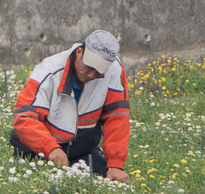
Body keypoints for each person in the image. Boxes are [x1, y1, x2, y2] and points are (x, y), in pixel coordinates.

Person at [10, 30, 130, 183]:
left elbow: (117, 117)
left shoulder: (114, 70)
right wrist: (50, 148)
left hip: (81, 150)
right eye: (89, 67)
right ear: (79, 52)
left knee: (106, 182)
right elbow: (24, 118)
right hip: (37, 151)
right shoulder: (49, 70)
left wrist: (115, 163)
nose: (92, 75)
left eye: (98, 72)